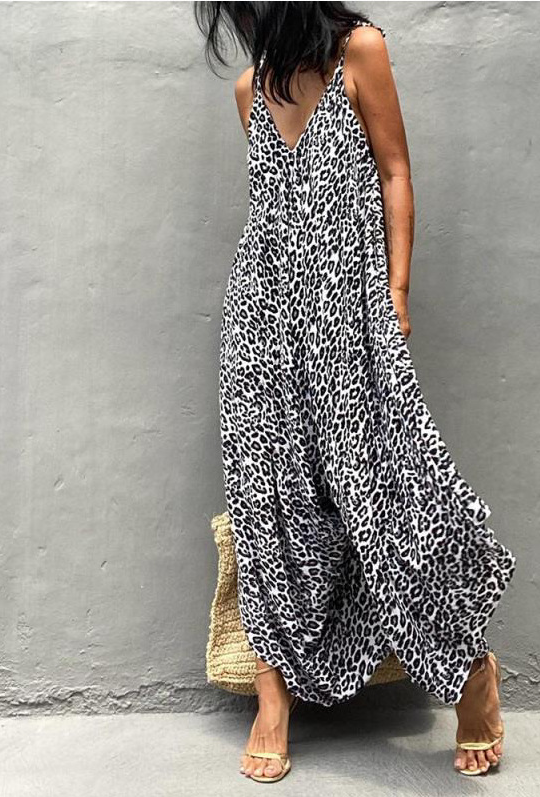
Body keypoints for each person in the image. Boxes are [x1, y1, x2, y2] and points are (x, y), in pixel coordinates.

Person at [195, 1, 516, 784]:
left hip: (352, 318)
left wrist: (395, 293)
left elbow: (395, 171)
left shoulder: (359, 53)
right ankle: (272, 700)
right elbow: (274, 220)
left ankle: (470, 668)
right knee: (269, 507)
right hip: (261, 324)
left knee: (391, 498)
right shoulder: (247, 92)